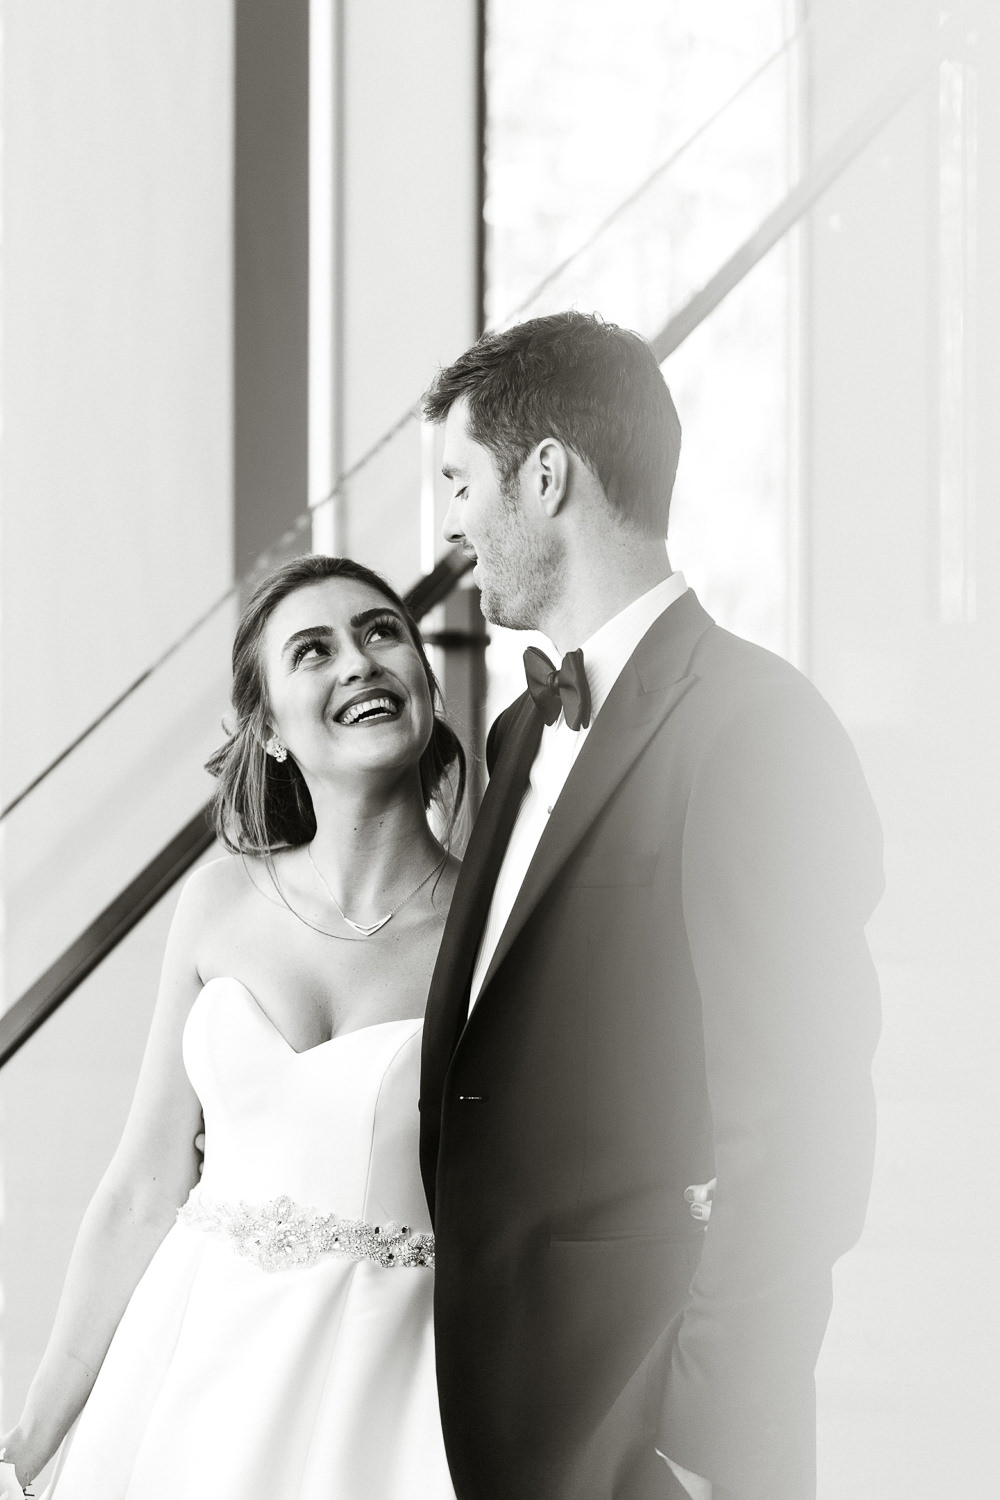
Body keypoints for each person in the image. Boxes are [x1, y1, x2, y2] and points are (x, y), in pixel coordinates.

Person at [418, 311, 884, 1500]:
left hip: (651, 1443)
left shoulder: (754, 726)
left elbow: (797, 1134)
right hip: (502, 1408)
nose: (450, 524)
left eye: (459, 481)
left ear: (547, 473)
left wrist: (693, 1447)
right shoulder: (518, 728)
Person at [0, 555, 466, 1500]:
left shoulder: (495, 925)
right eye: (314, 650)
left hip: (392, 1390)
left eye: (383, 633)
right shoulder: (216, 901)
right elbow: (143, 1184)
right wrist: (35, 1429)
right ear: (274, 733)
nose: (359, 663)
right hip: (188, 1368)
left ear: (424, 678)